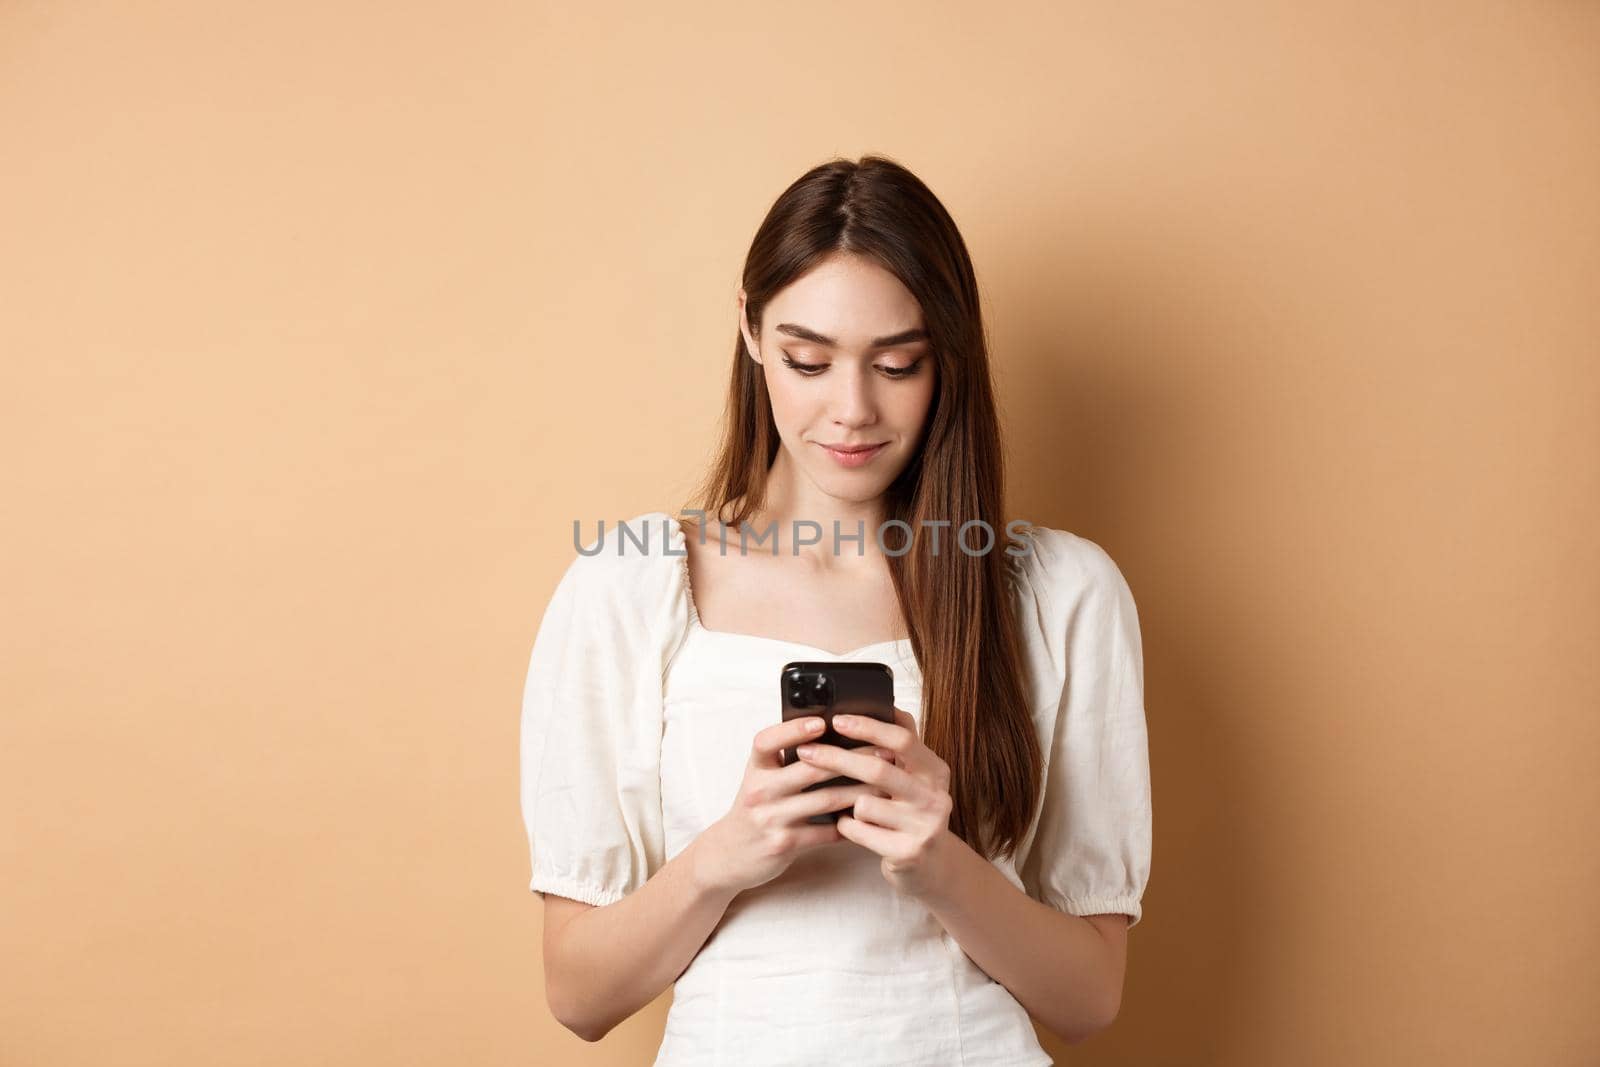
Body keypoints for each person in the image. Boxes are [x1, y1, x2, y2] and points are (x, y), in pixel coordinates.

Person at [520, 155, 1151, 1064]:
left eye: (898, 364)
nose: (850, 410)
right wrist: (724, 857)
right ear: (750, 331)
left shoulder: (1059, 593)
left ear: (950, 357)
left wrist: (943, 868)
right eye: (807, 360)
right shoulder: (627, 584)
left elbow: (1089, 997)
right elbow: (579, 994)